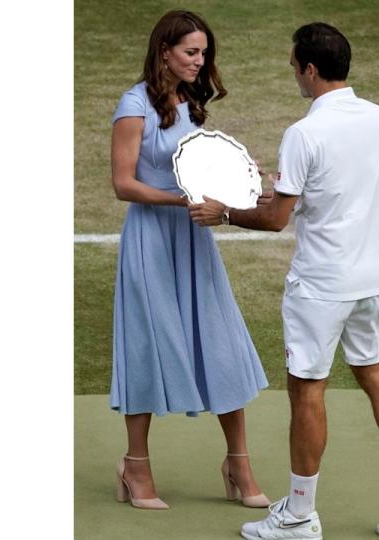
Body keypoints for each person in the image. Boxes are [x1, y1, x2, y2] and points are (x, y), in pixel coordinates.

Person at [189, 22, 379, 538]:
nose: (292, 74)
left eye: (293, 65)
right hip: (370, 278)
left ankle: (300, 515)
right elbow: (336, 192)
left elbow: (278, 220)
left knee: (307, 392)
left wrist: (226, 214)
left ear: (309, 68)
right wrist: (282, 196)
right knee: (375, 373)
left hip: (320, 285)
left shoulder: (304, 132)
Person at [108, 9, 270, 511]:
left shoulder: (190, 101)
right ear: (164, 52)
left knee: (219, 344)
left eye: (204, 53)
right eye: (191, 52)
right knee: (146, 347)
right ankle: (136, 468)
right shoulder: (133, 106)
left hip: (194, 241)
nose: (201, 61)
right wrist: (183, 200)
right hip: (151, 240)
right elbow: (124, 183)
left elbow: (200, 166)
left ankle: (238, 463)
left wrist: (240, 183)